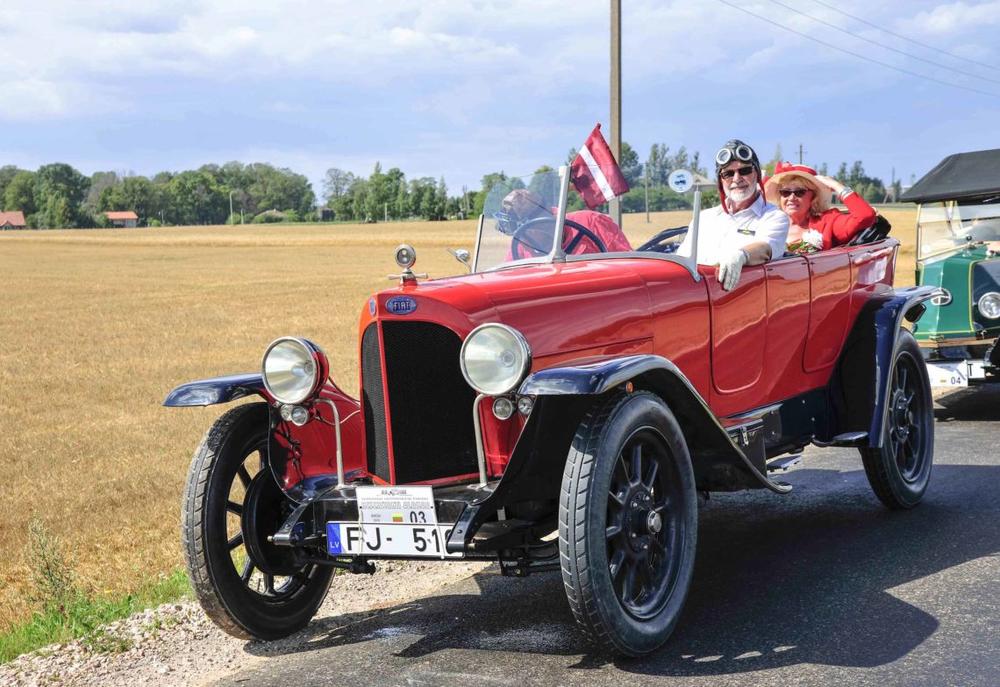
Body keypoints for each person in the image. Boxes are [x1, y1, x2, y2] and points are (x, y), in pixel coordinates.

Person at [677, 139, 789, 291]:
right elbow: (682, 260)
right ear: (720, 181)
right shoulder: (704, 218)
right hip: (697, 297)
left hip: (744, 299)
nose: (737, 179)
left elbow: (766, 248)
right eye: (728, 173)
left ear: (756, 174)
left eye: (744, 171)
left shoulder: (774, 217)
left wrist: (741, 256)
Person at [764, 162, 876, 253]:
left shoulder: (827, 222)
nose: (791, 197)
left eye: (799, 192)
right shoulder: (767, 223)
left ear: (813, 197)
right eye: (785, 192)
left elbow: (865, 216)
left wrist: (836, 186)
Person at [498, 188, 632, 257]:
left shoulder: (592, 222)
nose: (521, 238)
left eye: (523, 229)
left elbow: (629, 266)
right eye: (517, 231)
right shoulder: (520, 244)